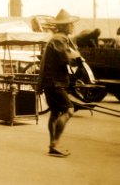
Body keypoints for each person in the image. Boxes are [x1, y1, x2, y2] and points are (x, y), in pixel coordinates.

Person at [37, 9, 81, 158]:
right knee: (69, 111)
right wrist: (76, 56)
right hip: (55, 84)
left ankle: (52, 145)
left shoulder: (59, 39)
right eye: (69, 24)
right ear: (62, 26)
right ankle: (55, 143)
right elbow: (66, 59)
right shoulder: (59, 40)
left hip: (52, 83)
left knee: (55, 113)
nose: (72, 26)